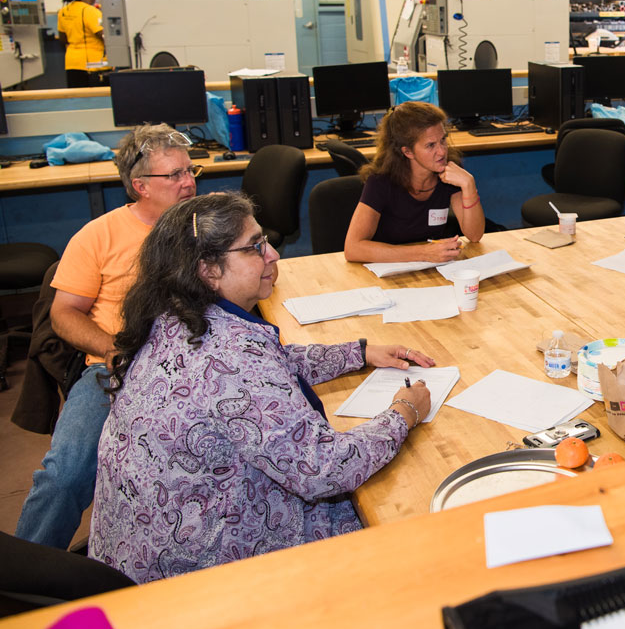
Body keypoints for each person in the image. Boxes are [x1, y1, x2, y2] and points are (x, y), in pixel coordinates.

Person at [89, 193, 433, 583]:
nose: (273, 255)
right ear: (208, 270)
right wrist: (404, 411)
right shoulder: (232, 357)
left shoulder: (175, 318)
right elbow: (324, 469)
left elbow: (268, 367)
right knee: (406, 532)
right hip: (202, 576)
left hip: (141, 551)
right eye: (255, 247)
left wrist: (359, 352)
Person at [15, 126, 200, 548]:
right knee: (64, 475)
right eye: (173, 175)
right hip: (115, 369)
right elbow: (63, 313)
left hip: (197, 368)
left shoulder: (207, 225)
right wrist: (111, 350)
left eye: (190, 171)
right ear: (140, 187)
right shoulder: (98, 235)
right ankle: (19, 582)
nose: (188, 182)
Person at [344, 101, 485, 263]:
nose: (442, 151)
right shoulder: (381, 181)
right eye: (431, 145)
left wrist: (469, 185)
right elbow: (352, 248)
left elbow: (474, 235)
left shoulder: (448, 173)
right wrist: (423, 253)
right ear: (408, 151)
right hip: (386, 271)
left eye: (443, 140)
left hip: (430, 269)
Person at [57, 0, 109, 88]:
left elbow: (63, 39)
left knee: (78, 100)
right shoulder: (90, 11)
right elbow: (105, 36)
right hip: (93, 65)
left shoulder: (64, 11)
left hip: (72, 64)